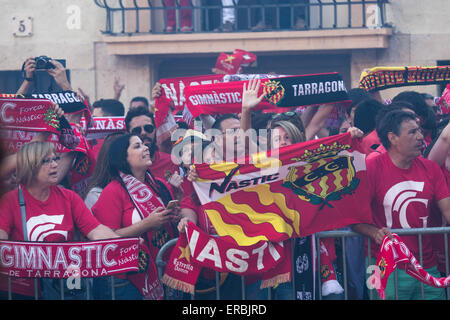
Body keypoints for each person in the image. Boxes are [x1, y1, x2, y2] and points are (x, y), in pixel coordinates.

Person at [0, 141, 119, 300]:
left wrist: (125, 244)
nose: (55, 165)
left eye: (56, 159)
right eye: (46, 161)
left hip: (67, 286)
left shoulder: (69, 197)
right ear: (30, 164)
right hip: (24, 290)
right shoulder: (10, 201)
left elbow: (95, 230)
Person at [352, 109, 450, 300]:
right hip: (384, 266)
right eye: (412, 132)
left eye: (420, 130)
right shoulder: (371, 168)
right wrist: (374, 232)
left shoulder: (430, 168)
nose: (421, 137)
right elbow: (353, 218)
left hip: (426, 266)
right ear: (393, 138)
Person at [91, 134, 183, 299]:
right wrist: (146, 224)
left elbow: (172, 225)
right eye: (137, 146)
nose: (146, 147)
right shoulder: (112, 191)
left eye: (144, 144)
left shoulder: (160, 184)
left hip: (163, 269)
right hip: (128, 280)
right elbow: (104, 238)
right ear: (123, 157)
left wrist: (175, 212)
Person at [124, 106, 179, 181]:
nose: (143, 133)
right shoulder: (123, 167)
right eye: (137, 130)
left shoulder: (170, 161)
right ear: (128, 134)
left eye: (148, 128)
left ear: (155, 129)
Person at [83, 132, 124, 209]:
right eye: (137, 147)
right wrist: (148, 221)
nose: (145, 148)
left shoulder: (147, 184)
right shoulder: (96, 195)